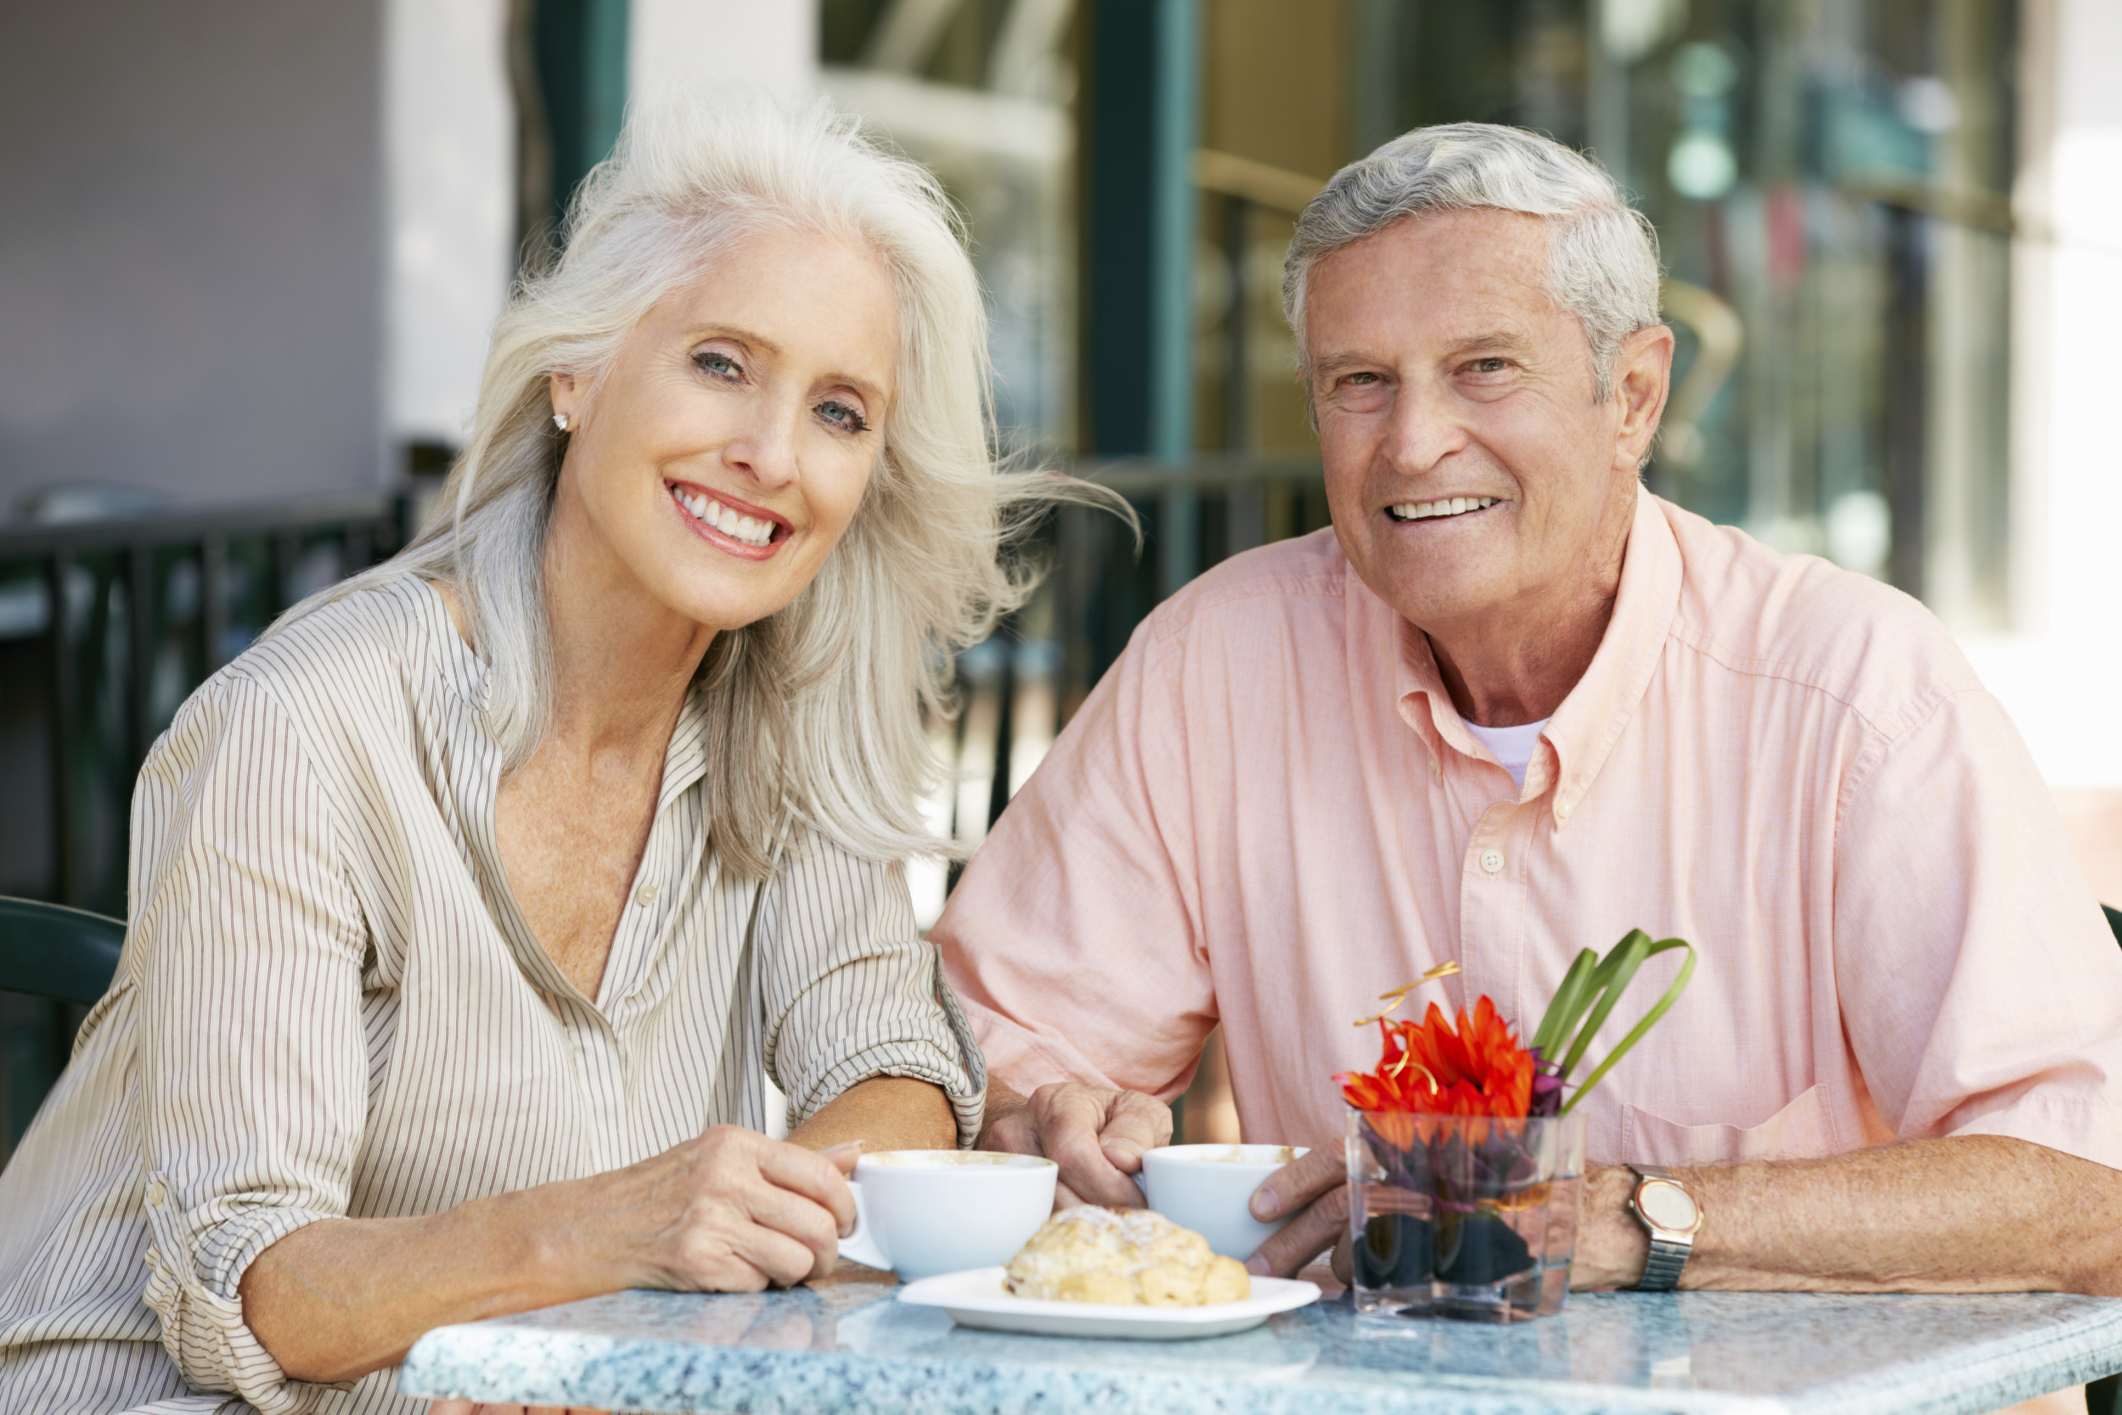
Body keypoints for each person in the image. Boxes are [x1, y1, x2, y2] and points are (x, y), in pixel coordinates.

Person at [0, 94, 1078, 1414]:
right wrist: (603, 1243)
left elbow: (893, 1066)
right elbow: (262, 1285)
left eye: (840, 410)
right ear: (576, 373)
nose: (771, 453)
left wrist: (706, 1261)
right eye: (722, 362)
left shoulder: (787, 718)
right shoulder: (305, 722)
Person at [937, 123, 2122, 1315]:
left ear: (1634, 397)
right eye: (1359, 382)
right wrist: (1046, 1116)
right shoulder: (1216, 665)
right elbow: (986, 1044)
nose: (1411, 443)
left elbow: (2087, 1187)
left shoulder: (1858, 692)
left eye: (1484, 368)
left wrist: (1625, 1216)